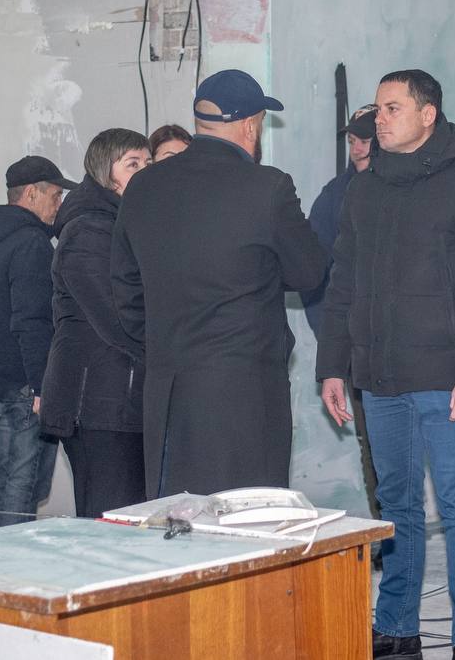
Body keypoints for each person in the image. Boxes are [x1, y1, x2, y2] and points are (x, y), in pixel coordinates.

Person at [317, 69, 455, 660]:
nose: (378, 119)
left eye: (392, 108)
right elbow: (343, 282)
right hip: (380, 379)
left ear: (428, 115)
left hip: (447, 380)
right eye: (377, 109)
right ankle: (397, 627)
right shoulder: (365, 189)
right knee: (397, 506)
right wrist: (333, 364)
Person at [111, 69, 327, 498]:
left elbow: (125, 284)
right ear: (250, 125)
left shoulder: (144, 186)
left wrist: (163, 344)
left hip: (167, 390)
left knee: (177, 516)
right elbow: (309, 271)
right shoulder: (267, 187)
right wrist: (263, 270)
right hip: (245, 392)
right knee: (249, 515)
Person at [41, 129, 151, 518]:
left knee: (128, 518)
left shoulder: (123, 223)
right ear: (106, 172)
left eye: (148, 163)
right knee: (108, 522)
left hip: (121, 397)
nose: (145, 172)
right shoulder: (89, 231)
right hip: (97, 405)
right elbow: (119, 318)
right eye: (133, 164)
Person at [0, 155, 76, 528]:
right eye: (55, 196)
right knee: (20, 482)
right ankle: (6, 557)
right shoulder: (31, 243)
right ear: (31, 194)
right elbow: (33, 320)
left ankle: (1, 549)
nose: (59, 205)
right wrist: (42, 386)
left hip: (1, 374)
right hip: (28, 383)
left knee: (12, 473)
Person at [302, 104, 382, 522]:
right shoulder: (335, 197)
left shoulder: (413, 188)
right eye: (352, 139)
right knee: (375, 443)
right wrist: (334, 338)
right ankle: (388, 535)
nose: (357, 146)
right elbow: (313, 275)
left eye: (365, 138)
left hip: (419, 347)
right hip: (360, 350)